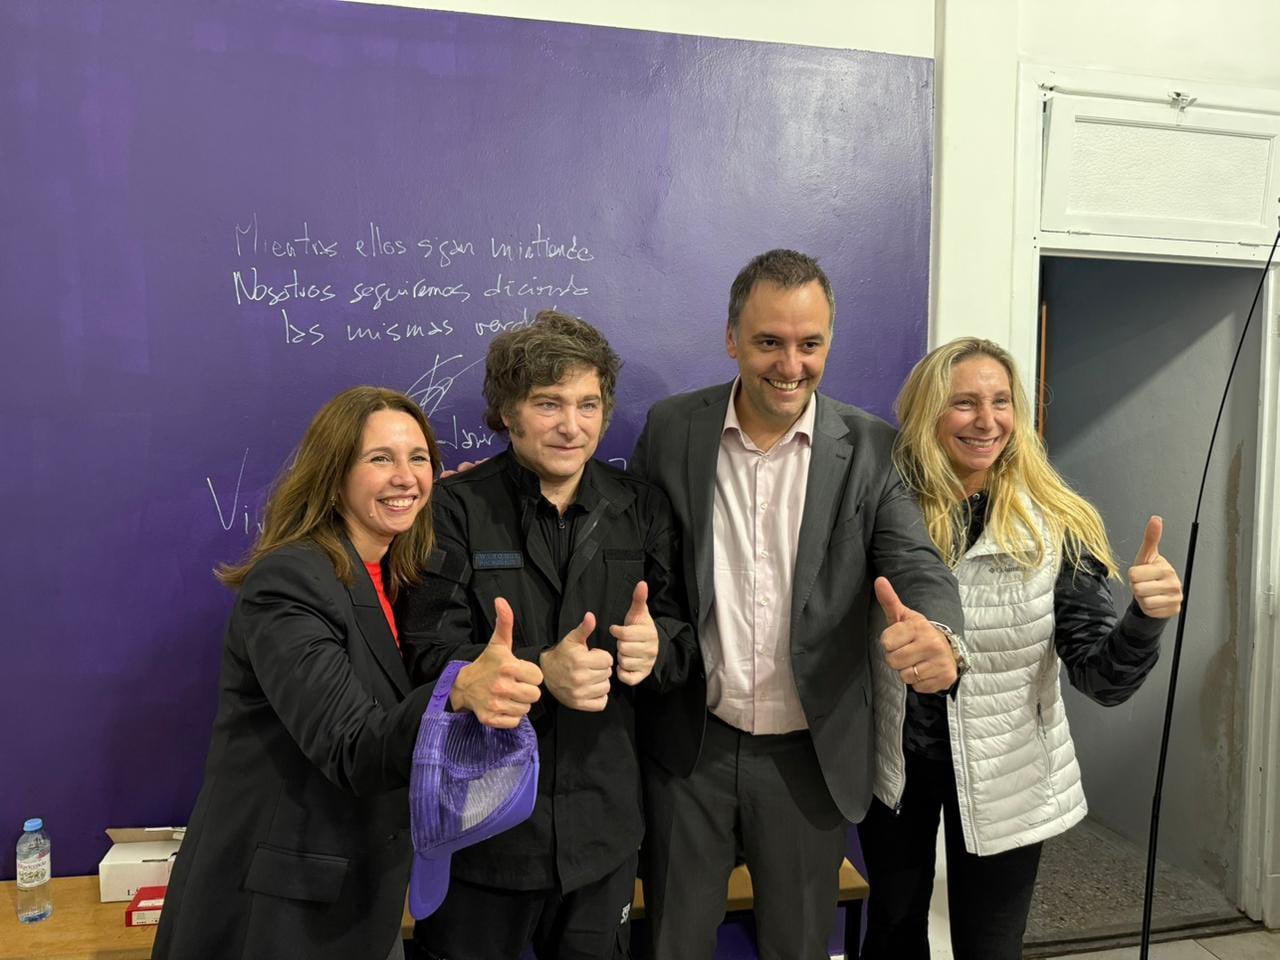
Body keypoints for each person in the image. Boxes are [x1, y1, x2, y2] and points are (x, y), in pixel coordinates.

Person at [629, 249, 966, 960]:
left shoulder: (873, 447)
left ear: (829, 341)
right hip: (694, 742)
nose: (791, 364)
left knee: (797, 946)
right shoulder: (671, 430)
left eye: (810, 344)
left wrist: (939, 634)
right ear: (731, 339)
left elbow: (916, 563)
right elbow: (640, 557)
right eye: (769, 343)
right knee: (672, 944)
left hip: (810, 754)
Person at [154, 386, 543, 960]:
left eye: (418, 459)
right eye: (380, 458)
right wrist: (455, 690)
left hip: (362, 891)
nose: (405, 477)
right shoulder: (291, 580)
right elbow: (351, 746)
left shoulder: (391, 577)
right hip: (285, 907)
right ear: (333, 473)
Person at [857, 337, 1185, 960]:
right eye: (964, 403)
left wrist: (1146, 618)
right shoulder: (878, 511)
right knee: (893, 935)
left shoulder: (1056, 521)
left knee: (990, 946)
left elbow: (1102, 679)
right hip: (895, 768)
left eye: (1001, 401)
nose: (987, 420)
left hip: (1007, 772)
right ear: (927, 412)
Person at [398, 310, 700, 960]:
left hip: (604, 834)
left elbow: (682, 641)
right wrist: (540, 671)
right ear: (507, 411)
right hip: (483, 837)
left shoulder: (641, 507)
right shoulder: (453, 509)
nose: (572, 425)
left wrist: (657, 652)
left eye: (588, 404)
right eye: (548, 403)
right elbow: (427, 654)